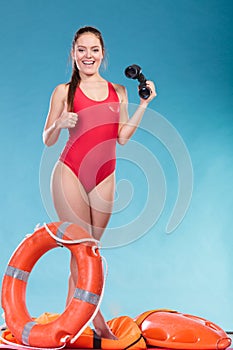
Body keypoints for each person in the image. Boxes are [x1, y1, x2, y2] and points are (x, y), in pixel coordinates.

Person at [43, 26, 156, 339]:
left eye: (94, 50)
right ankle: (97, 319)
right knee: (81, 249)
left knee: (90, 253)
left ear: (102, 54)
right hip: (70, 172)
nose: (88, 56)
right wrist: (58, 122)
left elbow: (121, 138)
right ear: (73, 54)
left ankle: (71, 317)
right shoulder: (63, 91)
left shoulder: (118, 91)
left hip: (105, 175)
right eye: (82, 49)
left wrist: (144, 105)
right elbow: (47, 139)